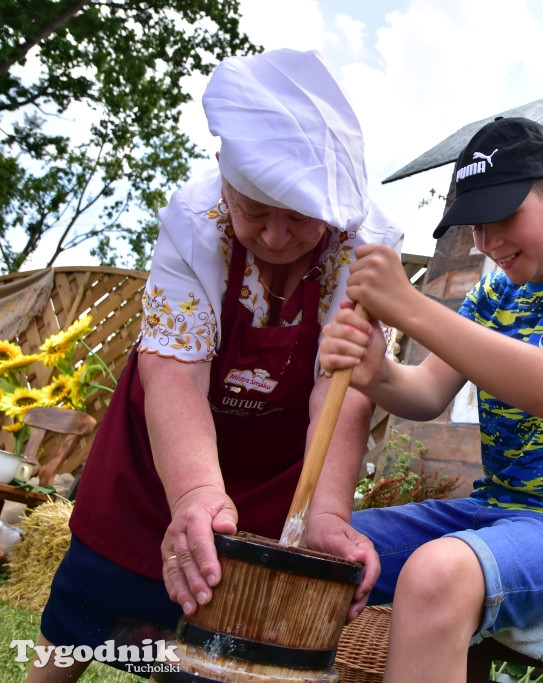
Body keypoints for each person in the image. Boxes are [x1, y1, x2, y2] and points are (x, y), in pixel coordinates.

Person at [27, 49, 397, 682]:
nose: (276, 237)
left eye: (299, 217)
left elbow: (341, 389)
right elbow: (175, 372)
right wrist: (197, 494)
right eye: (254, 210)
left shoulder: (365, 247)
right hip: (164, 455)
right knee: (87, 603)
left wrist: (327, 516)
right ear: (225, 172)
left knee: (232, 645)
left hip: (278, 469)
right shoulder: (195, 219)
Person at [319, 116, 543, 682]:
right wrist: (376, 372)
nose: (490, 242)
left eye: (504, 217)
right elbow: (426, 393)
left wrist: (409, 306)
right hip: (494, 512)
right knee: (327, 554)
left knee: (437, 573)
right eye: (477, 226)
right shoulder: (493, 293)